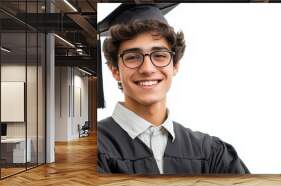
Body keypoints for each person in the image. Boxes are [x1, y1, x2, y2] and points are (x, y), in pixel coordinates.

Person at [97, 4, 249, 174]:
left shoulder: (212, 153)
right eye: (132, 57)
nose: (147, 69)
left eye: (160, 56)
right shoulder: (95, 149)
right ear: (115, 70)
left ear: (175, 65)